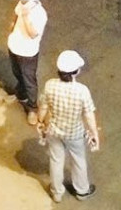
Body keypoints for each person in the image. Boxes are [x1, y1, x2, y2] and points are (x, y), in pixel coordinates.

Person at [37, 50, 100, 202]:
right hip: (74, 133)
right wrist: (94, 134)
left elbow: (44, 107)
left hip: (54, 130)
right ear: (75, 72)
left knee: (56, 160)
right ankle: (82, 191)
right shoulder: (82, 91)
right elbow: (89, 115)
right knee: (78, 160)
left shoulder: (50, 85)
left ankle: (57, 193)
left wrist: (40, 121)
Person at [9, 0, 49, 120]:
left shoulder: (40, 14)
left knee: (29, 80)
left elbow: (33, 34)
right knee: (17, 73)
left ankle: (32, 108)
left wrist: (26, 17)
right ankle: (20, 94)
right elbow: (15, 15)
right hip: (14, 46)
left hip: (27, 53)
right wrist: (11, 28)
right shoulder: (22, 4)